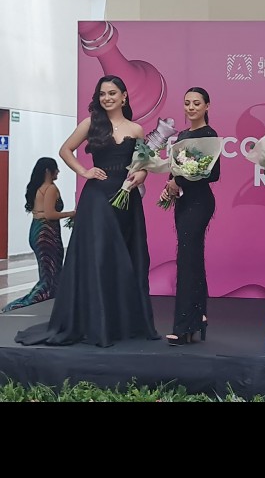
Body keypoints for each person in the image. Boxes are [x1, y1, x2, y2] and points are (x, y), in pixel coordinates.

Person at [15, 75, 159, 347]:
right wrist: (84, 171)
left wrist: (141, 175)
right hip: (97, 199)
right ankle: (96, 324)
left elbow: (142, 165)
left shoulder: (137, 129)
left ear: (124, 96)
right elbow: (65, 150)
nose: (107, 98)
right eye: (102, 94)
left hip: (126, 200)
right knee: (99, 259)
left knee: (126, 260)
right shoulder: (91, 123)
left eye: (112, 93)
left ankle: (121, 323)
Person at [160, 87, 220, 345]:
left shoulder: (209, 135)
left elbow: (213, 174)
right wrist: (170, 186)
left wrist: (180, 179)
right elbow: (175, 169)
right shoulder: (183, 135)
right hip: (183, 202)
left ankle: (184, 326)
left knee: (187, 259)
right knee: (191, 258)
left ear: (207, 106)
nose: (191, 107)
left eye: (197, 103)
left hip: (200, 202)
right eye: (187, 103)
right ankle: (199, 315)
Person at [2, 158, 75, 313]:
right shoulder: (50, 189)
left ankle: (51, 300)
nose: (58, 172)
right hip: (47, 233)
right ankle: (31, 302)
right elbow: (50, 214)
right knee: (51, 274)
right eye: (56, 169)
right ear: (48, 171)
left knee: (47, 272)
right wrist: (73, 213)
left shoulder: (38, 187)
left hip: (37, 230)